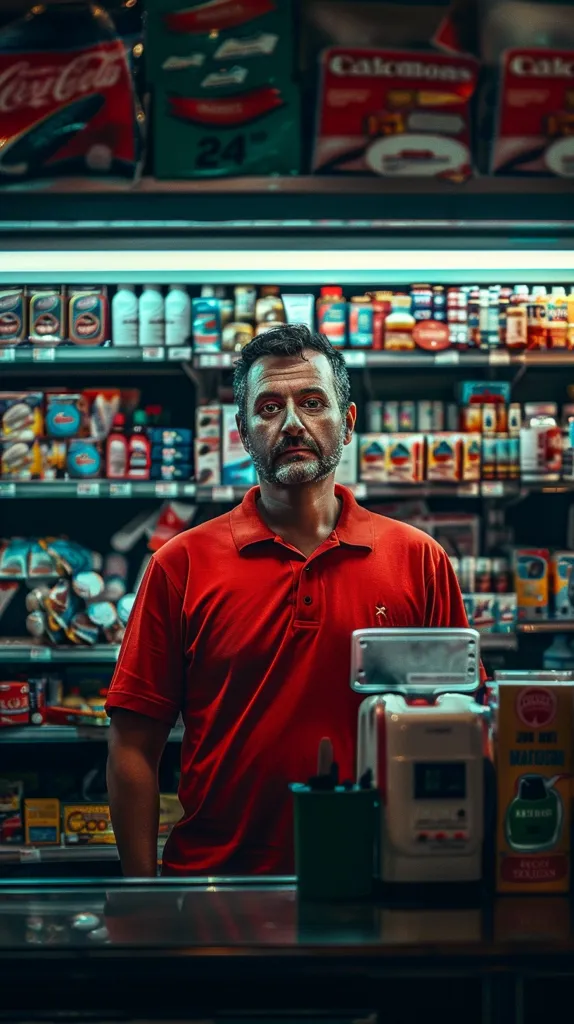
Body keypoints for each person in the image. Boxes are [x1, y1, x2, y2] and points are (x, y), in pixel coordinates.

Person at [106, 324, 476, 877]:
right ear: (243, 430)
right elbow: (133, 746)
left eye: (312, 402)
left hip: (383, 873)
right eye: (270, 407)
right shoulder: (179, 565)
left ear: (347, 423)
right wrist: (140, 896)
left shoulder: (418, 560)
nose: (293, 423)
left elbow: (464, 726)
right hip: (216, 885)